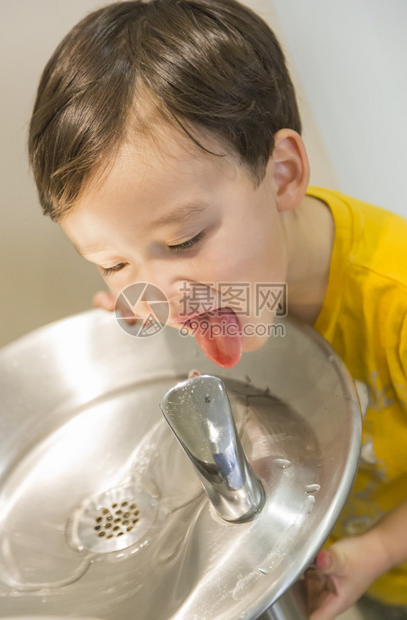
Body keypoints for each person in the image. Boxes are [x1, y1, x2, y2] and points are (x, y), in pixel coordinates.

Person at [27, 0, 407, 618]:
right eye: (113, 262)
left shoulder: (394, 298)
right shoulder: (220, 290)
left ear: (282, 173)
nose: (158, 295)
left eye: (183, 242)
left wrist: (381, 549)